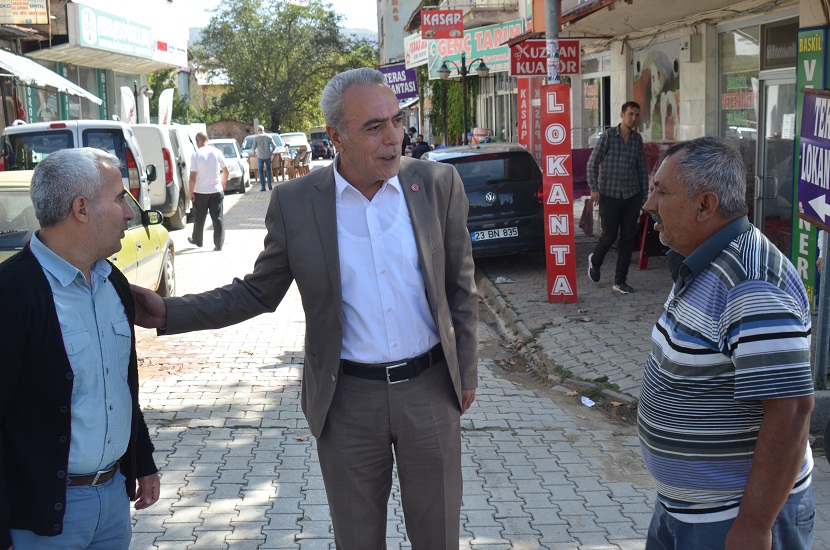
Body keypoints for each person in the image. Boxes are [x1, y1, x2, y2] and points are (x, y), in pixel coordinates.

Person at [131, 67, 478, 549]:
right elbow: (256, 292)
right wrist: (170, 313)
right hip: (347, 402)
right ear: (335, 137)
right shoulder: (297, 203)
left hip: (430, 391)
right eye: (373, 127)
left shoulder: (437, 184)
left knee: (438, 537)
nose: (393, 137)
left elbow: (460, 287)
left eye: (396, 121)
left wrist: (467, 372)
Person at [640, 137, 815, 549]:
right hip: (689, 509)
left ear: (705, 205)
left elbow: (790, 411)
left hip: (733, 518)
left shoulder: (750, 284)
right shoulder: (702, 259)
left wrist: (753, 528)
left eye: (661, 192)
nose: (649, 205)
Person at [0, 148, 160, 549]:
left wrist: (143, 461)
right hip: (43, 517)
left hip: (113, 500)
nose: (129, 213)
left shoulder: (113, 283)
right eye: (120, 197)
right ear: (82, 208)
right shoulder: (12, 294)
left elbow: (120, 386)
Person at [586, 101, 648, 294]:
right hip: (609, 194)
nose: (634, 118)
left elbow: (641, 169)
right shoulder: (608, 137)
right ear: (622, 115)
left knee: (629, 238)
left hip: (632, 194)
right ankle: (595, 261)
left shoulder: (637, 140)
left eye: (637, 115)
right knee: (610, 235)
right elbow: (591, 164)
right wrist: (594, 189)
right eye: (630, 114)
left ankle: (620, 281)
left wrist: (644, 197)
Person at [188, 131, 229, 252]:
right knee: (218, 218)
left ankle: (198, 240)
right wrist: (223, 183)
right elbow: (226, 171)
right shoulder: (217, 152)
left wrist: (191, 192)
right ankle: (219, 244)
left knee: (199, 218)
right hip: (216, 191)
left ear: (197, 141)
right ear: (207, 140)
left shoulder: (196, 155)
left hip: (200, 192)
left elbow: (192, 177)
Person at [253, 125, 276, 191]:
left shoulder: (256, 137)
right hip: (267, 155)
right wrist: (271, 152)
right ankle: (269, 184)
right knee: (268, 170)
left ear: (258, 130)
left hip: (260, 156)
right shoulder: (268, 136)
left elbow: (253, 147)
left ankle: (263, 187)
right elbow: (274, 146)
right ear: (263, 130)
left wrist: (254, 152)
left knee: (260, 171)